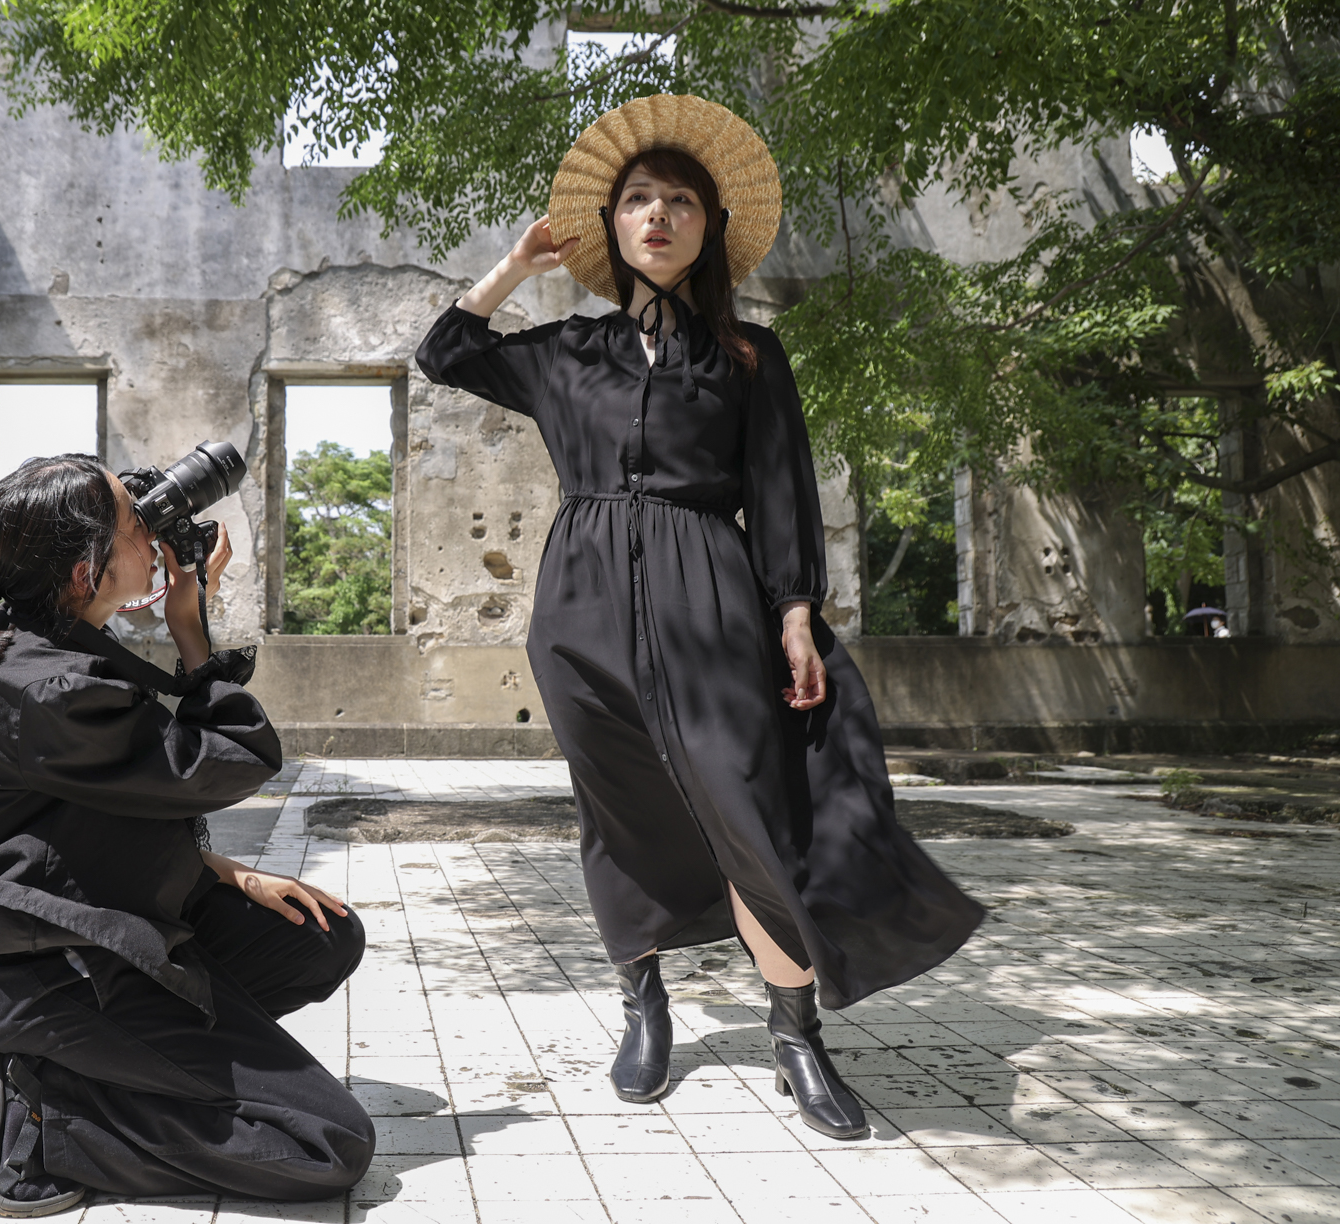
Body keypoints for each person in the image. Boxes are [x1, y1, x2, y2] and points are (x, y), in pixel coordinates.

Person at [415, 95, 985, 1139]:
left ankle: (797, 1031)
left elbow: (781, 492)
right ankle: (644, 1002)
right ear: (612, 224)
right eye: (639, 199)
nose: (659, 216)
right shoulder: (566, 351)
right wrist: (515, 267)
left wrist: (796, 615)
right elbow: (444, 352)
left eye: (680, 201)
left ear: (710, 227)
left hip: (711, 595)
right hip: (581, 611)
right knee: (619, 808)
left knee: (746, 801)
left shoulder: (749, 355)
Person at [0, 455, 374, 1215]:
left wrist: (222, 870)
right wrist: (190, 627)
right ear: (83, 569)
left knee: (319, 935)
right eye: (136, 523)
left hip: (97, 931)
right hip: (47, 974)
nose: (155, 536)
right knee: (327, 1146)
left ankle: (127, 1066)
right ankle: (50, 1121)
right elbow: (229, 761)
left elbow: (86, 821)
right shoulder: (48, 685)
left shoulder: (48, 643)